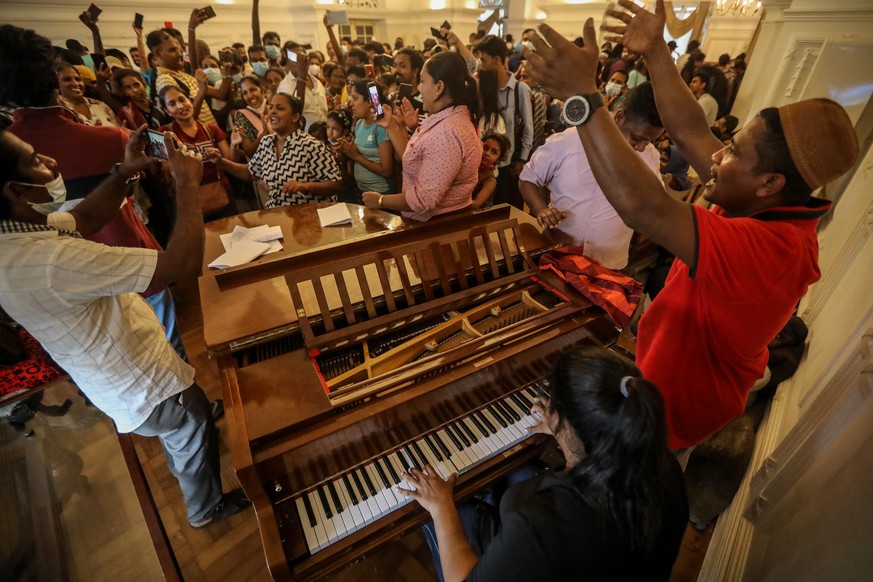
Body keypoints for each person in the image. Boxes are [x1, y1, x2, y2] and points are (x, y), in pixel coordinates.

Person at [523, 1, 860, 451]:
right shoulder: (759, 199)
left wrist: (584, 99)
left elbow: (644, 206)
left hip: (669, 418)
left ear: (770, 183)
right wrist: (657, 51)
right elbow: (693, 133)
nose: (717, 156)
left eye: (734, 151)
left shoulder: (773, 249)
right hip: (653, 375)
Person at [399, 347, 688, 581]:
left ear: (562, 420)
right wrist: (569, 434)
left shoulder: (540, 522)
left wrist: (440, 506)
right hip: (613, 562)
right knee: (521, 471)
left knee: (440, 509)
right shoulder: (663, 465)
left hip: (560, 549)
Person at [520, 82, 663, 270]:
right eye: (637, 138)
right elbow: (528, 179)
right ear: (619, 117)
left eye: (649, 140)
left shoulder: (650, 157)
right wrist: (540, 210)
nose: (642, 147)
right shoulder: (571, 140)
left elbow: (655, 204)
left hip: (609, 263)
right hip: (557, 253)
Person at [360, 51, 482, 221]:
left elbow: (425, 199)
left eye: (423, 81)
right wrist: (392, 126)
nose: (418, 88)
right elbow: (414, 158)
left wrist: (381, 200)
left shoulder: (446, 132)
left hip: (437, 227)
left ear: (439, 87)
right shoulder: (448, 118)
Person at [217, 92, 343, 208]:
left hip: (308, 218)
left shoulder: (311, 146)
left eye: (280, 108)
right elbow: (251, 172)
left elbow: (336, 184)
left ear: (295, 117)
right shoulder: (266, 142)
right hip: (277, 215)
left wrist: (304, 186)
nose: (272, 112)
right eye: (271, 107)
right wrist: (221, 162)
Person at [158, 85, 235, 219]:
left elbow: (230, 160)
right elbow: (164, 171)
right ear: (167, 111)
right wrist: (179, 159)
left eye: (182, 100)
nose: (180, 106)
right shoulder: (164, 134)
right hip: (189, 200)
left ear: (190, 101)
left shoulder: (211, 129)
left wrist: (231, 147)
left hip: (220, 191)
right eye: (172, 104)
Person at [475, 35, 533, 209]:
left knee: (502, 208)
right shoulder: (484, 86)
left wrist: (522, 160)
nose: (481, 64)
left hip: (506, 164)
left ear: (497, 59)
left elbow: (529, 128)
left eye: (484, 60)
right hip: (483, 164)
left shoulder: (519, 89)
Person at [334, 80, 395, 196]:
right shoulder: (359, 123)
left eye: (355, 98)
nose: (351, 103)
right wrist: (345, 152)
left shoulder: (380, 128)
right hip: (361, 190)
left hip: (380, 194)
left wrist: (355, 156)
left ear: (369, 102)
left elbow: (387, 171)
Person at [277, 44, 329, 131]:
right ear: (288, 63)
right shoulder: (285, 87)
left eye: (302, 58)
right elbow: (294, 111)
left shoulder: (317, 82)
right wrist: (301, 75)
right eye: (295, 59)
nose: (300, 62)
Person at [56, 63, 121, 127]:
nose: (75, 83)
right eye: (67, 79)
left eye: (78, 79)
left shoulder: (100, 106)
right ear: (57, 84)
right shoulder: (59, 112)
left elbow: (119, 129)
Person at [472, 131, 509, 209]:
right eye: (485, 148)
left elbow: (475, 205)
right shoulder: (470, 168)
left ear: (499, 159)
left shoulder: (490, 181)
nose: (487, 153)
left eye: (494, 152)